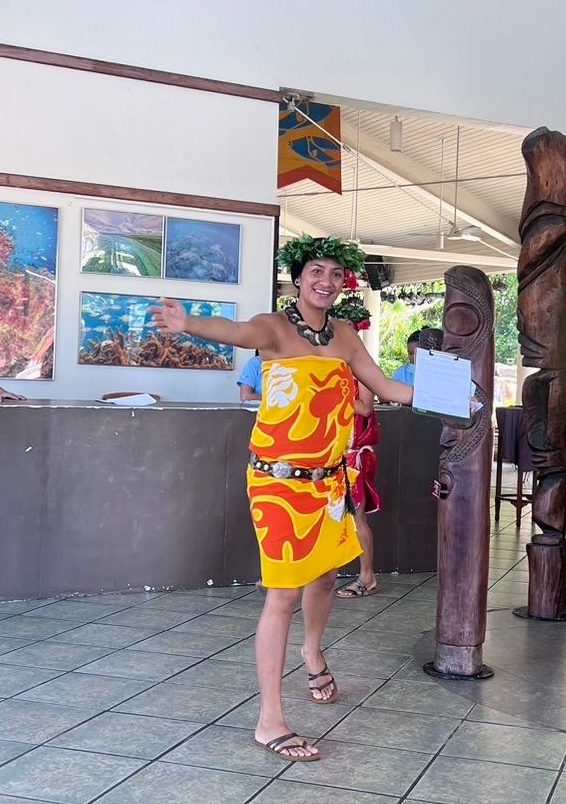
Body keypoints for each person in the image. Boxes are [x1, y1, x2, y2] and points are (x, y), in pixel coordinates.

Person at [150, 237, 412, 762]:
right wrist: (189, 323)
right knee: (284, 594)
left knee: (326, 577)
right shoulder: (273, 328)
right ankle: (269, 720)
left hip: (329, 483)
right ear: (298, 277)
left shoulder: (345, 334)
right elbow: (234, 331)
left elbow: (388, 388)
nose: (326, 281)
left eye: (335, 274)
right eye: (316, 271)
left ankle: (312, 652)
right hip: (278, 484)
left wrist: (457, 397)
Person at [336, 381, 382, 598]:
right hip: (332, 454)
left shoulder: (361, 372)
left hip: (354, 455)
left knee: (357, 517)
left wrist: (328, 395)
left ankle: (367, 577)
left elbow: (365, 408)